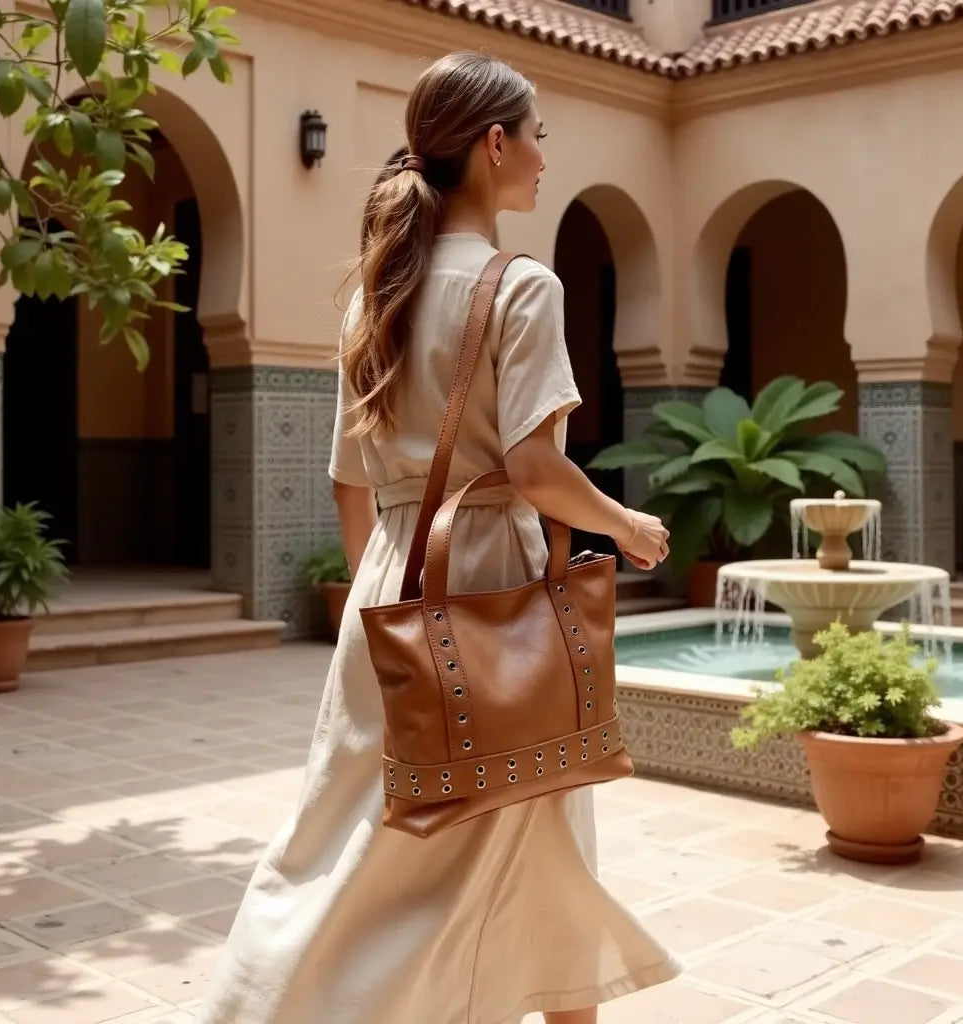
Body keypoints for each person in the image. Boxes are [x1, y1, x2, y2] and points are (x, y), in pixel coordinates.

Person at [197, 50, 678, 1024]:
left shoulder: (375, 291)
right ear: (493, 145)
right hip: (492, 587)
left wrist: (384, 604)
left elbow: (348, 486)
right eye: (536, 136)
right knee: (531, 811)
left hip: (393, 586)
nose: (545, 156)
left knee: (353, 836)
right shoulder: (522, 288)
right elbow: (537, 474)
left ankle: (267, 998)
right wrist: (627, 525)